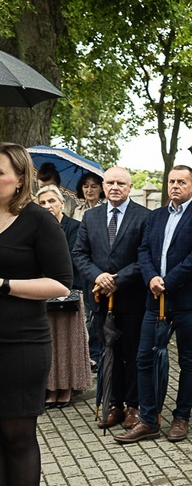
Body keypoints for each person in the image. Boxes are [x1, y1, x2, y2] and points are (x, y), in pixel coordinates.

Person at [114, 165, 192, 444]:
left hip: (188, 300)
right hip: (154, 298)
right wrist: (151, 279)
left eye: (182, 182)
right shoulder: (156, 216)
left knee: (188, 361)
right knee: (144, 358)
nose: (175, 186)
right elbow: (143, 250)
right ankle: (148, 420)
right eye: (171, 181)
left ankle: (181, 418)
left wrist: (167, 281)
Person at [0, 143, 72, 485]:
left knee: (16, 436)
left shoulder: (38, 220)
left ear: (19, 179)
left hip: (21, 345)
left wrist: (4, 285)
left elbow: (61, 284)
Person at [72, 167, 150, 430]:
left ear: (129, 187)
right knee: (108, 354)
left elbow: (145, 257)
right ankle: (113, 404)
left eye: (120, 183)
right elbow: (79, 254)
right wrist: (99, 277)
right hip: (100, 298)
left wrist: (118, 279)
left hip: (132, 298)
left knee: (133, 354)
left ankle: (133, 406)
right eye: (110, 183)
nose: (115, 187)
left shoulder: (144, 217)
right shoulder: (91, 217)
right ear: (103, 187)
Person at [36, 185, 92, 408]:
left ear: (61, 203)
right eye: (42, 203)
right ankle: (50, 388)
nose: (47, 206)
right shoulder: (35, 227)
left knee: (69, 343)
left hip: (68, 292)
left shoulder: (74, 227)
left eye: (51, 201)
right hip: (41, 291)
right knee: (48, 343)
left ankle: (67, 388)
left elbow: (73, 259)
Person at [71, 171, 106, 373]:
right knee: (85, 312)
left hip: (98, 267)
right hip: (80, 267)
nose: (89, 190)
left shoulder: (104, 210)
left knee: (96, 312)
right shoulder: (77, 210)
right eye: (86, 186)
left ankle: (97, 353)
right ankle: (89, 354)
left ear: (101, 188)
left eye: (93, 186)